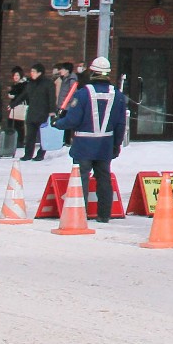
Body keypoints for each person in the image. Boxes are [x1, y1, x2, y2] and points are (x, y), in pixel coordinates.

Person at [52, 55, 128, 223]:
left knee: (81, 179)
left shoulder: (83, 94)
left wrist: (58, 123)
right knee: (104, 178)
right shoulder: (118, 95)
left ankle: (80, 213)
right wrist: (116, 145)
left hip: (84, 145)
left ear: (92, 72)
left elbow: (72, 120)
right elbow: (121, 123)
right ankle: (104, 215)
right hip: (105, 144)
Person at [19, 63, 54, 161]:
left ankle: (40, 154)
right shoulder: (30, 83)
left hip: (43, 112)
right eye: (31, 71)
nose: (32, 73)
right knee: (30, 135)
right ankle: (28, 154)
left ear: (40, 73)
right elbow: (24, 95)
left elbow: (52, 97)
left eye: (34, 72)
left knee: (43, 135)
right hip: (32, 112)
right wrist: (13, 104)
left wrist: (52, 111)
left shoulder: (48, 83)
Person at [3, 67, 28, 155]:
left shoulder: (23, 84)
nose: (15, 77)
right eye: (14, 75)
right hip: (15, 106)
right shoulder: (17, 84)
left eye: (17, 75)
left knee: (18, 124)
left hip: (20, 106)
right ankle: (17, 140)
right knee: (16, 123)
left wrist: (13, 95)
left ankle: (20, 141)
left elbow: (22, 96)